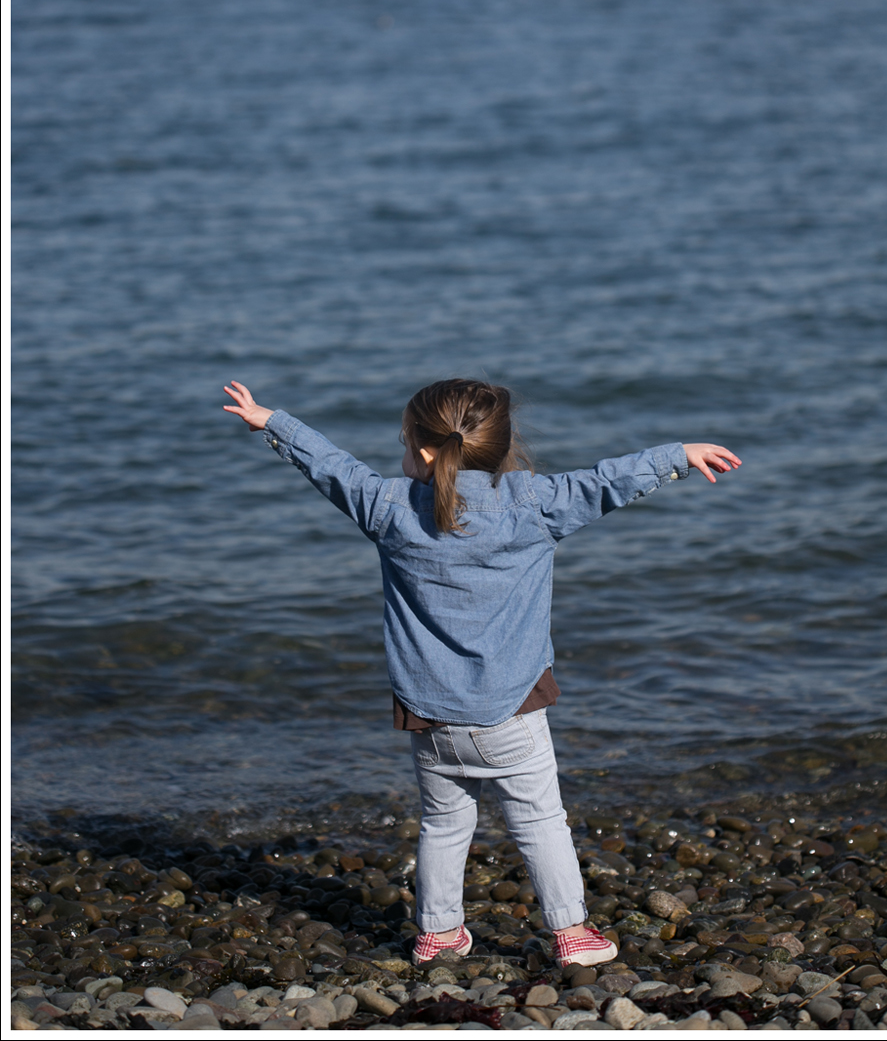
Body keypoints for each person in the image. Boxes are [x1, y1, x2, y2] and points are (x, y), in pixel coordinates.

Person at [224, 377, 741, 969]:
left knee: (443, 823)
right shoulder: (536, 504)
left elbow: (333, 468)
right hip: (512, 709)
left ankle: (439, 934)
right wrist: (676, 456)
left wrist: (274, 422)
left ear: (422, 451)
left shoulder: (387, 508)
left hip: (430, 712)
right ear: (502, 443)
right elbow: (605, 482)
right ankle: (571, 934)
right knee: (541, 820)